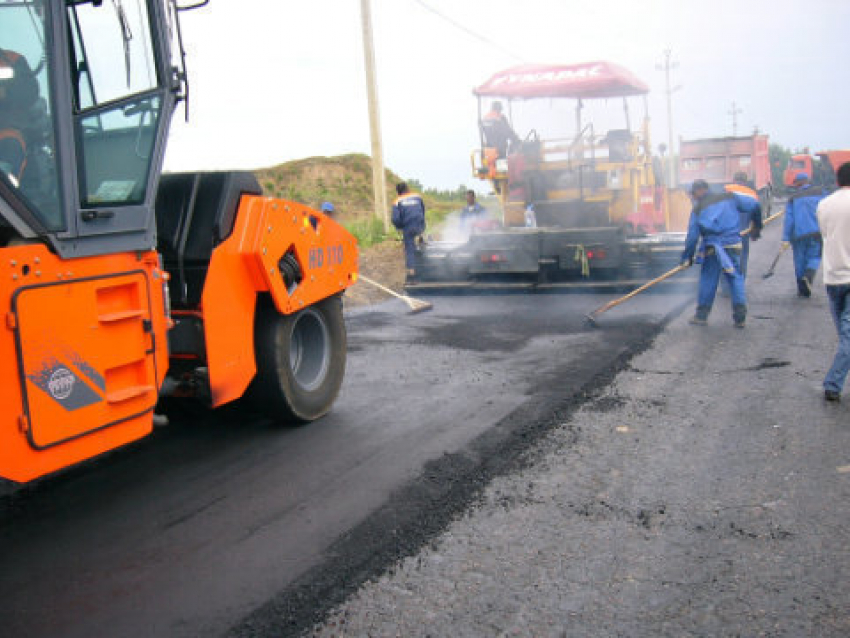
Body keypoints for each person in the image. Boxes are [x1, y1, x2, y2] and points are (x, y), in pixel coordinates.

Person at [681, 179, 760, 328]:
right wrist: (757, 225)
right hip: (733, 243)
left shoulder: (699, 208)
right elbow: (754, 204)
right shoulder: (730, 197)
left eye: (693, 194)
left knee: (708, 279)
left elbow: (692, 236)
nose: (692, 198)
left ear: (698, 191)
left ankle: (701, 316)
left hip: (713, 247)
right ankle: (740, 317)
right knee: (735, 277)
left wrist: (687, 256)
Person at [816, 162, 850, 401]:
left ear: (837, 180)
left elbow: (826, 236)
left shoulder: (824, 204)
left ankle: (835, 381)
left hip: (833, 278)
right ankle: (833, 384)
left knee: (845, 336)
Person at [782, 171, 827, 297]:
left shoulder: (793, 198)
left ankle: (802, 289)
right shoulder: (820, 193)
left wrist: (785, 238)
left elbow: (789, 220)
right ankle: (808, 275)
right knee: (814, 257)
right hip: (816, 232)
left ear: (798, 183)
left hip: (798, 235)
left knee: (799, 260)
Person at [0, 47, 38, 184]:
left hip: (6, 130)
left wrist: (5, 93)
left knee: (11, 147)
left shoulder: (13, 59)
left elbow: (29, 92)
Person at [724, 171, 762, 278]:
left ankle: (727, 287)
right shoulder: (752, 194)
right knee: (743, 257)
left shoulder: (725, 190)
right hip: (743, 233)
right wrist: (756, 233)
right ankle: (740, 282)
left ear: (733, 180)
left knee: (726, 258)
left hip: (726, 233)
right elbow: (756, 215)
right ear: (745, 182)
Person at [391, 182, 426, 284]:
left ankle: (412, 276)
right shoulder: (417, 197)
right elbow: (422, 211)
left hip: (408, 226)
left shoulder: (397, 201)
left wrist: (400, 227)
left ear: (398, 192)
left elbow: (395, 219)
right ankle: (421, 239)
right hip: (420, 224)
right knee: (420, 239)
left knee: (409, 249)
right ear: (408, 189)